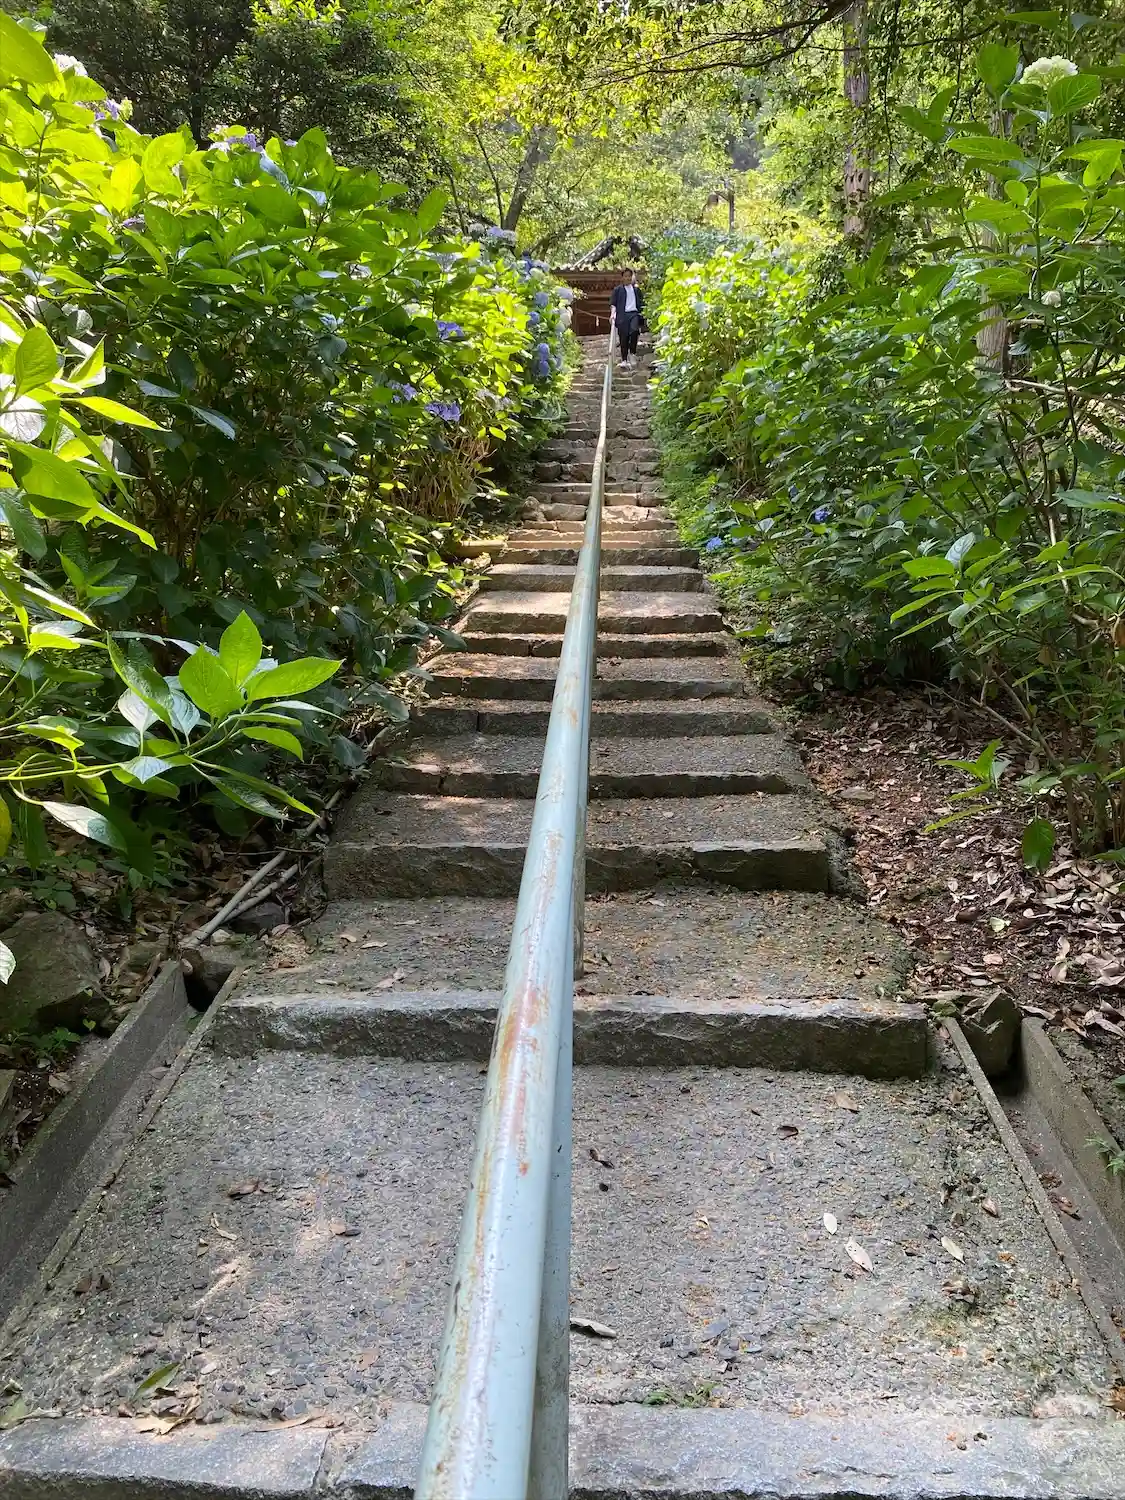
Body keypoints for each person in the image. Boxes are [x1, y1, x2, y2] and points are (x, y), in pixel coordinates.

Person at [610, 268, 644, 371]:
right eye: (625, 276)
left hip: (634, 313)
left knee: (634, 331)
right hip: (622, 315)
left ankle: (632, 353)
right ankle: (624, 359)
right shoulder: (617, 290)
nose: (628, 278)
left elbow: (642, 304)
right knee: (623, 337)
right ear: (622, 277)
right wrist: (612, 314)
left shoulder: (637, 290)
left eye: (629, 276)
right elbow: (613, 304)